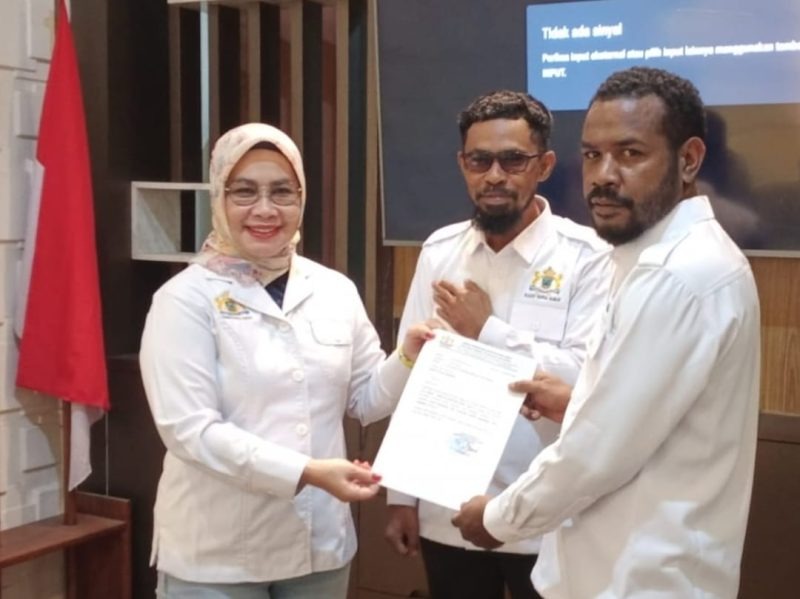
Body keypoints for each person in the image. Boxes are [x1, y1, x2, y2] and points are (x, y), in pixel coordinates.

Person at [453, 67, 761, 598]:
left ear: (689, 160)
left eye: (630, 153)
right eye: (593, 155)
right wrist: (577, 403)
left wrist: (498, 518)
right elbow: (641, 415)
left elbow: (596, 454)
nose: (603, 175)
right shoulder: (652, 257)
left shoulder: (676, 274)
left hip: (639, 581)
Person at [139, 123, 433, 598]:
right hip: (217, 555)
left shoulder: (334, 289)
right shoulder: (184, 299)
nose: (265, 209)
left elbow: (364, 400)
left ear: (301, 198)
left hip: (319, 546)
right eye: (244, 192)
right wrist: (308, 472)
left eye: (282, 192)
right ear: (219, 197)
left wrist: (408, 357)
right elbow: (191, 430)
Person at [383, 90, 611, 599]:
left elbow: (584, 379)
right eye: (479, 160)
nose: (494, 176)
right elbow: (413, 374)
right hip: (445, 506)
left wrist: (487, 330)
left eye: (513, 160)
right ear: (462, 164)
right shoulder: (440, 251)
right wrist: (401, 496)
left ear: (544, 165)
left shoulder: (587, 257)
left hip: (545, 516)